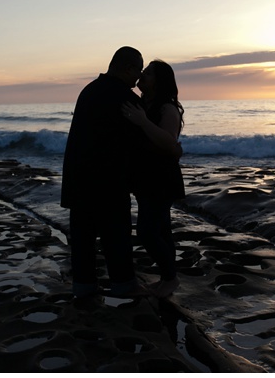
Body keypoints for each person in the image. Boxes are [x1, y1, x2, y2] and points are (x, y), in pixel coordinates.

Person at [60, 46, 148, 299]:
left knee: (83, 238)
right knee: (116, 235)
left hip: (79, 177)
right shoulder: (125, 97)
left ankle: (84, 287)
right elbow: (141, 140)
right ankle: (124, 285)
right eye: (138, 71)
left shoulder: (89, 91)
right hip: (110, 179)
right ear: (128, 68)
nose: (138, 79)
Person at [121, 59, 185, 298]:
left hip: (161, 178)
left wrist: (142, 122)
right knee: (162, 230)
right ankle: (167, 278)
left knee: (147, 232)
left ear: (159, 81)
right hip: (145, 176)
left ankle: (170, 278)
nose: (141, 75)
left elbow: (169, 143)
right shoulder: (143, 103)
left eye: (147, 73)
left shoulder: (166, 108)